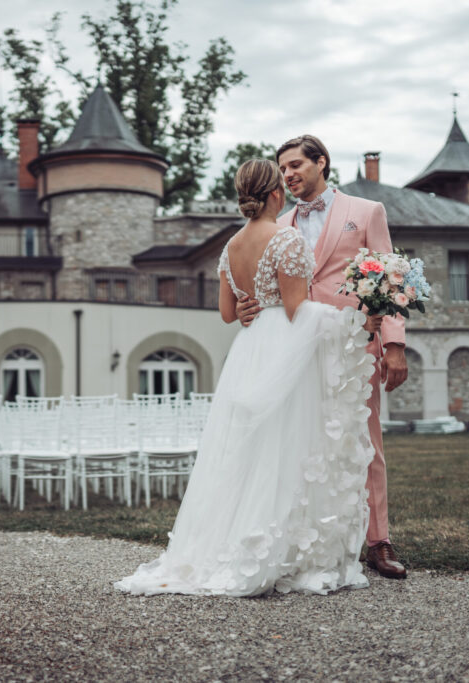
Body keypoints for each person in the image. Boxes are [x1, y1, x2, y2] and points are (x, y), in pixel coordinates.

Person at [116, 159, 379, 597]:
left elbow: (226, 313)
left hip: (249, 347)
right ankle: (279, 551)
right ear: (276, 193)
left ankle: (233, 545)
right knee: (286, 446)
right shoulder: (286, 238)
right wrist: (353, 320)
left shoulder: (231, 246)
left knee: (247, 450)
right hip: (284, 349)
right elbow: (298, 310)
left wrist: (246, 306)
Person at [234, 135, 408, 579]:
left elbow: (389, 280)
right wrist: (244, 307)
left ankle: (378, 542)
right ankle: (312, 542)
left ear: (321, 162)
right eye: (282, 169)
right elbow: (259, 286)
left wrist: (394, 345)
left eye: (296, 165)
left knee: (364, 443)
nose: (288, 174)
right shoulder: (277, 224)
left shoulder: (366, 212)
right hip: (294, 349)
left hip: (354, 346)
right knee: (302, 444)